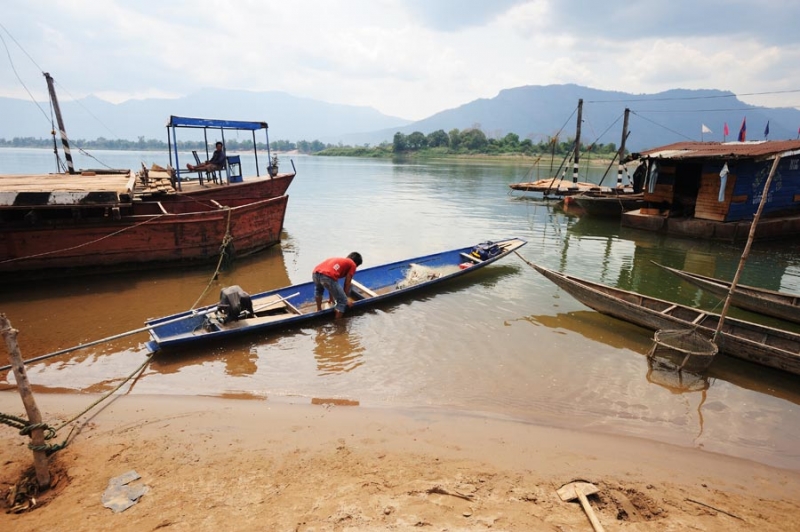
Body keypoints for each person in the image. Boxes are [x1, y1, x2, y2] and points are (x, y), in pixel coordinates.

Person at [312, 252, 363, 318]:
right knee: (342, 301)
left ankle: (319, 309)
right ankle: (338, 323)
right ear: (356, 263)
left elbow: (331, 285)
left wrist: (331, 299)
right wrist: (346, 299)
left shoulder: (340, 261)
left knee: (319, 291)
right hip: (327, 277)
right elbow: (347, 283)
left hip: (315, 273)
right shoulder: (352, 264)